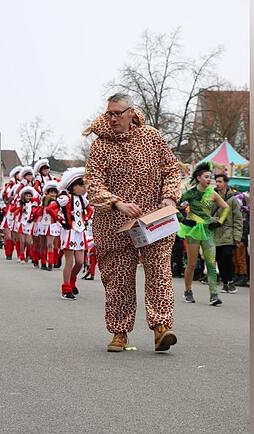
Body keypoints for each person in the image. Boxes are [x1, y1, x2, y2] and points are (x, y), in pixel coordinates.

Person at [84, 93, 182, 353]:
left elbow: (171, 169)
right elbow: (93, 182)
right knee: (118, 278)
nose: (113, 118)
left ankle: (161, 328)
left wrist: (170, 198)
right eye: (110, 114)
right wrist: (117, 203)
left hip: (153, 221)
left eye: (118, 113)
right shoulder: (101, 145)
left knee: (160, 273)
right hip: (114, 223)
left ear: (131, 113)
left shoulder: (151, 137)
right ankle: (119, 332)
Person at [176, 161, 231, 306]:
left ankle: (214, 295)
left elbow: (226, 208)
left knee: (211, 263)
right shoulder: (189, 193)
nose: (209, 179)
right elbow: (176, 208)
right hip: (193, 231)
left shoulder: (212, 193)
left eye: (210, 177)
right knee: (192, 264)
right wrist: (184, 220)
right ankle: (188, 291)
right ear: (199, 177)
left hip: (208, 230)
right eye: (206, 177)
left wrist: (219, 222)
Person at [50, 168, 91, 299]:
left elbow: (89, 210)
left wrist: (85, 219)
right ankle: (66, 288)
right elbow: (51, 209)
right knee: (69, 261)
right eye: (80, 185)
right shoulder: (65, 198)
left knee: (79, 262)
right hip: (69, 232)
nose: (83, 187)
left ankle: (72, 282)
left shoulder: (83, 200)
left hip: (80, 231)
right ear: (72, 186)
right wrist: (61, 220)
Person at [213, 173, 244, 293]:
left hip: (228, 232)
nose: (217, 184)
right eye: (216, 181)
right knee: (220, 259)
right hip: (215, 232)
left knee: (227, 256)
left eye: (220, 181)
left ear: (225, 183)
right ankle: (225, 283)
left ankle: (231, 282)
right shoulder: (212, 197)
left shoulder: (233, 199)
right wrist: (212, 219)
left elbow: (238, 219)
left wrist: (237, 236)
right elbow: (207, 214)